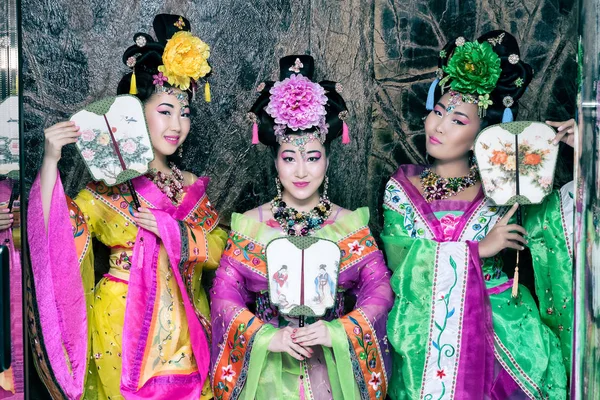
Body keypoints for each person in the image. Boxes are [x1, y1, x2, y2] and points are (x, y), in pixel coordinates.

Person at [27, 14, 226, 400]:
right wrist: (50, 160)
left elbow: (220, 249)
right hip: (122, 324)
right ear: (137, 114)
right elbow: (58, 229)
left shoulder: (189, 185)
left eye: (184, 112)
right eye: (165, 111)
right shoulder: (110, 187)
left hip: (188, 322)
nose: (177, 124)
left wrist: (175, 233)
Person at [383, 30, 574, 399]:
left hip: (503, 329)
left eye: (457, 120)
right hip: (425, 332)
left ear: (481, 135)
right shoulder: (400, 189)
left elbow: (563, 229)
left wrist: (584, 155)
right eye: (438, 112)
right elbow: (401, 265)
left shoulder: (506, 189)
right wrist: (478, 250)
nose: (438, 126)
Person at [210, 55, 393, 399]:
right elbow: (224, 296)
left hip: (331, 372)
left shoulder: (348, 225)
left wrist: (338, 331)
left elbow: (379, 290)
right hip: (268, 372)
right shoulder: (252, 224)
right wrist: (267, 336)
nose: (301, 172)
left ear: (327, 159)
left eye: (312, 157)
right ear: (276, 161)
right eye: (289, 158)